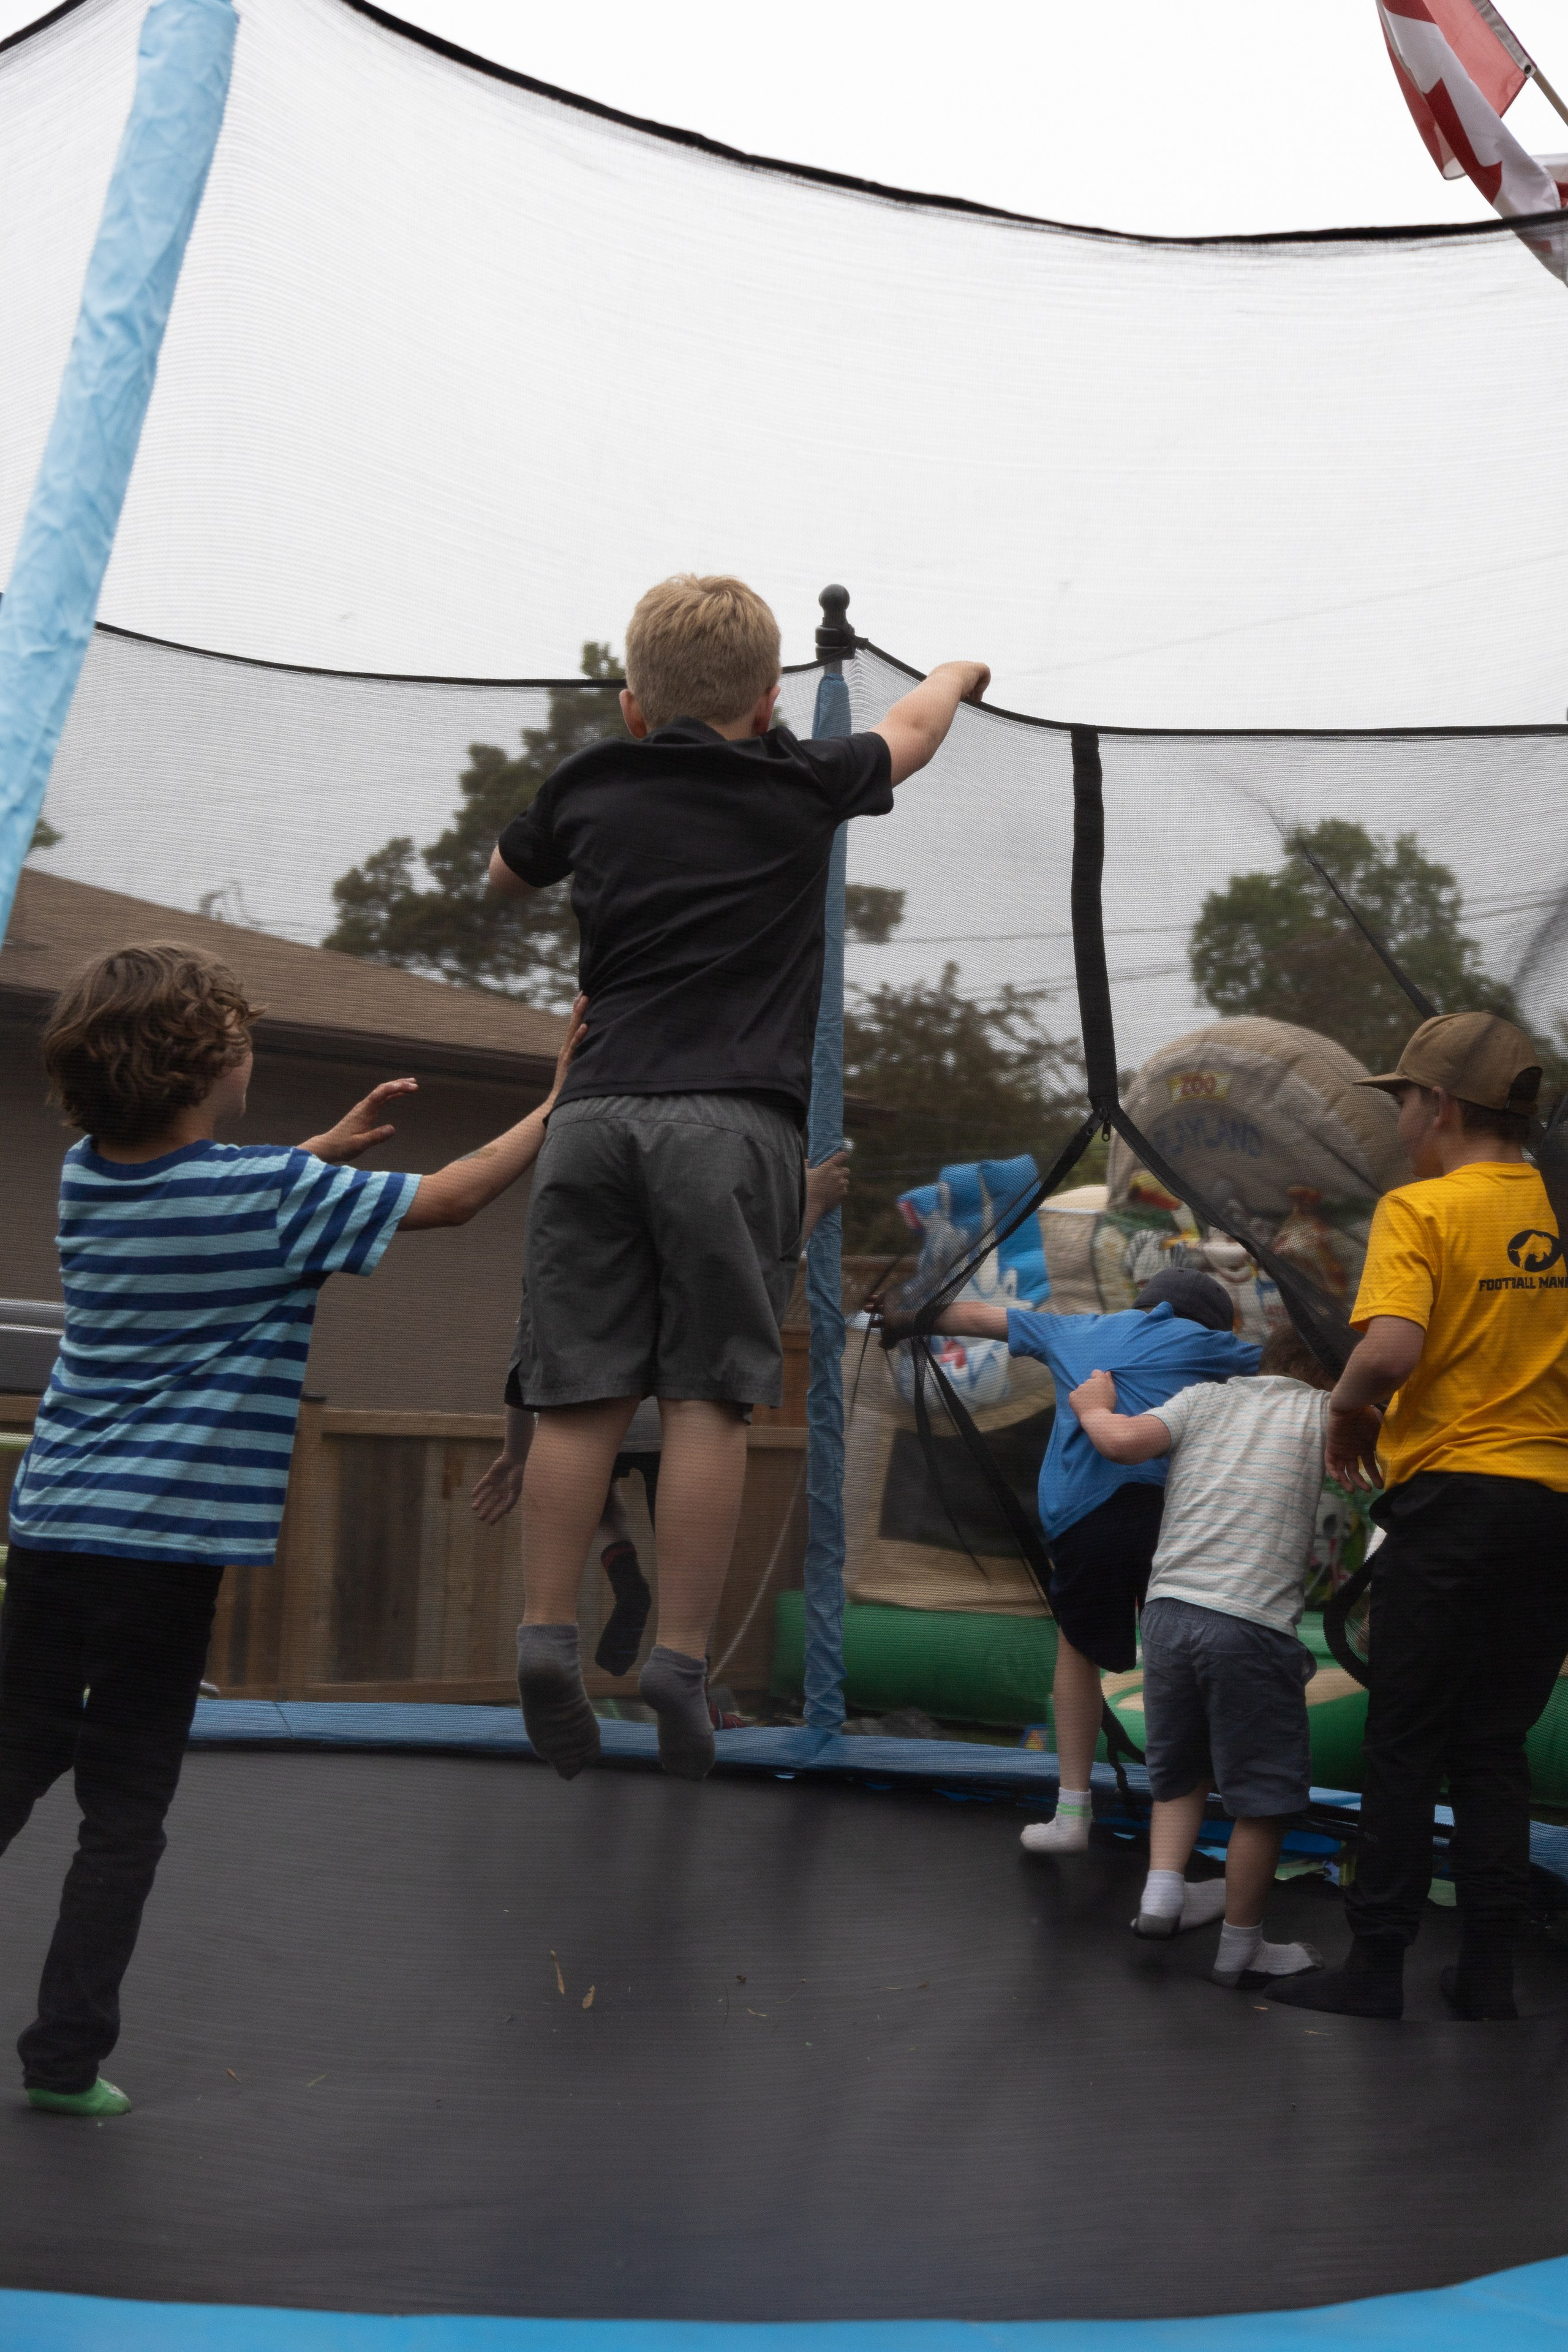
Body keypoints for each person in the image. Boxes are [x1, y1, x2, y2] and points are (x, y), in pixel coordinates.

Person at [2, 943, 584, 2117]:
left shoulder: (84, 1175)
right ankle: (62, 2063)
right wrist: (567, 1093)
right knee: (124, 1811)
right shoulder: (272, 1200)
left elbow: (199, 1196)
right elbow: (459, 1195)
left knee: (10, 1764)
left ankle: (66, 2044)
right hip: (164, 1558)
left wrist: (318, 1152)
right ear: (206, 1066)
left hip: (58, 1529)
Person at [486, 573, 987, 1782]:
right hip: (730, 1122)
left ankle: (547, 1633)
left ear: (631, 700)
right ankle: (682, 1657)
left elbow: (503, 882)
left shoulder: (592, 779)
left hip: (595, 1114)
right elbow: (913, 730)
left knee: (576, 1399)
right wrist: (959, 671)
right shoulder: (801, 778)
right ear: (771, 701)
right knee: (706, 1395)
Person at [1270, 1012, 1568, 2023]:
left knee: (1406, 1736)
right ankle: (1489, 1972)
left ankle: (1377, 1966)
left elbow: (1391, 1352)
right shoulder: (1561, 1207)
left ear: (1438, 1105)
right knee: (1493, 1744)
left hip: (1454, 1502)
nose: (1400, 1116)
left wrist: (1349, 1409)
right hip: (1554, 1510)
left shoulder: (1423, 1209)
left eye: (1401, 1097)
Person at [881, 1267, 1257, 1879]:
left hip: (1089, 1519)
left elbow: (976, 1318)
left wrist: (903, 1322)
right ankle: (1174, 1834)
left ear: (1145, 1302)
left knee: (1076, 1651)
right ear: (1207, 1322)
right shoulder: (1213, 1347)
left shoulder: (1076, 1329)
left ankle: (1071, 1813)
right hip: (1175, 1521)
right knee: (1175, 1659)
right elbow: (1303, 1366)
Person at [472, 1152, 851, 1683]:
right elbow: (768, 1269)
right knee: (691, 1557)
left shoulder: (572, 1261)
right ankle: (689, 1668)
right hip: (674, 1426)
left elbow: (525, 1359)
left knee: (597, 1504)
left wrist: (516, 1453)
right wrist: (811, 1200)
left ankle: (618, 1584)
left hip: (588, 1413)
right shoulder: (701, 1249)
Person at [1068, 1322, 1334, 1989]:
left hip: (1166, 1614)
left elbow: (1122, 1443)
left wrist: (1090, 1407)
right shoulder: (1325, 1410)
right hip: (1248, 1623)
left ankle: (1160, 1898)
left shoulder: (1203, 1399)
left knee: (1180, 1772)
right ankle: (1239, 1950)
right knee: (1262, 1798)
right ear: (1329, 1373)